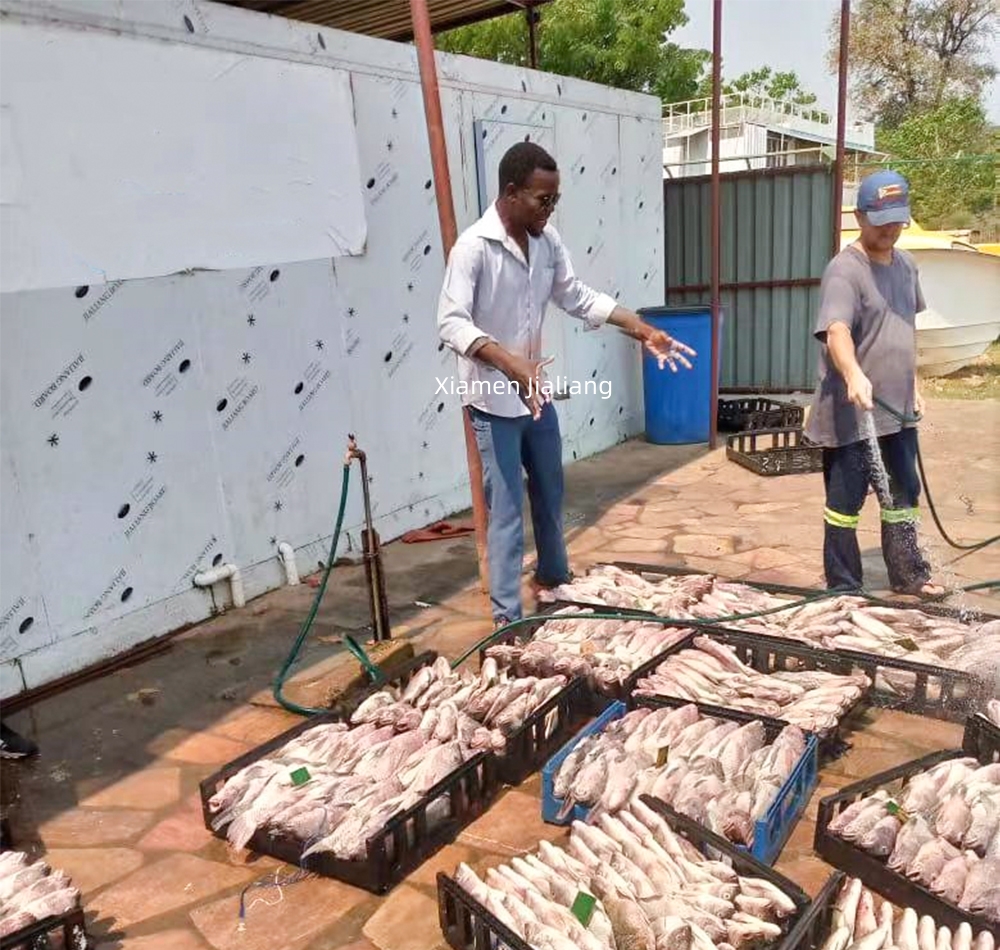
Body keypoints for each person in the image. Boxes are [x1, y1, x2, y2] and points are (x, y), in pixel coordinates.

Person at [437, 142, 696, 628]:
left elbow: (575, 295)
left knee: (551, 493)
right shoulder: (473, 248)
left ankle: (555, 582)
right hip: (492, 402)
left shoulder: (547, 242)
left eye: (555, 200)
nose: (549, 209)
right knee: (508, 513)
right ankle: (508, 623)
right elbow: (451, 323)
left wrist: (639, 327)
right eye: (542, 200)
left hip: (536, 397)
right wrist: (509, 363)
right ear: (511, 193)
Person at [804, 169, 943, 598]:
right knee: (845, 506)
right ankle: (844, 588)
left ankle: (909, 575)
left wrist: (913, 383)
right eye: (880, 220)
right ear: (860, 216)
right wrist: (854, 374)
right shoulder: (844, 271)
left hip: (897, 412)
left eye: (897, 219)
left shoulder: (907, 266)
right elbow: (837, 331)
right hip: (853, 415)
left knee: (903, 495)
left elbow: (903, 328)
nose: (890, 229)